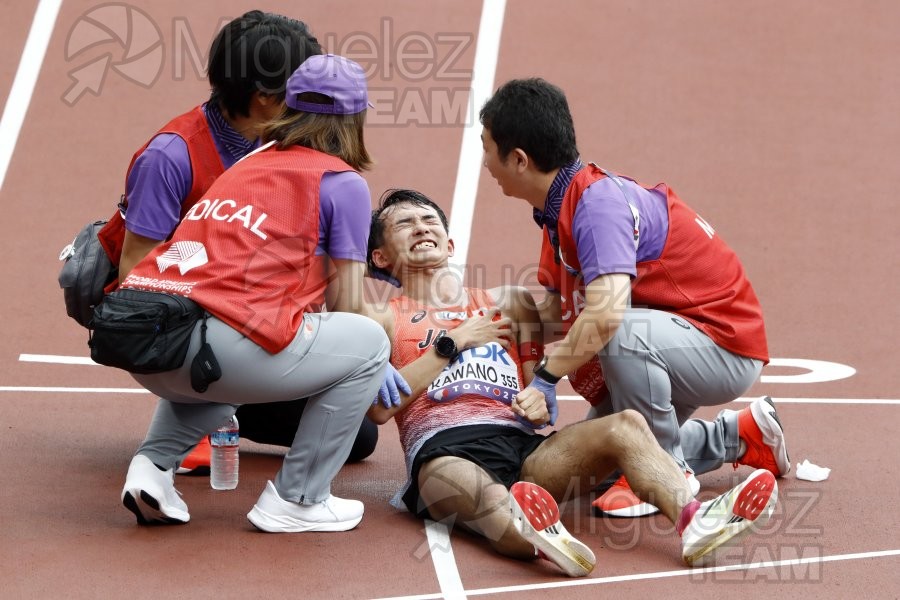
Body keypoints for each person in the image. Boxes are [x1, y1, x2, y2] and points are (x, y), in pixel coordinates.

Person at [363, 189, 778, 575]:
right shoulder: (380, 319)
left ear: (450, 244)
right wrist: (452, 344)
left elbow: (532, 391)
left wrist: (536, 402)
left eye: (429, 220)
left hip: (521, 448)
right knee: (493, 504)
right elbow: (380, 409)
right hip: (441, 452)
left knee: (626, 425)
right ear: (381, 258)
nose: (421, 227)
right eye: (404, 224)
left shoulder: (507, 302)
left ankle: (694, 520)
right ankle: (536, 536)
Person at [477, 78, 790, 518]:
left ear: (519, 159)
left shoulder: (597, 206)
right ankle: (740, 436)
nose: (485, 161)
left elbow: (604, 315)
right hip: (674, 337)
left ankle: (670, 472)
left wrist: (546, 378)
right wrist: (482, 314)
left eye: (487, 147)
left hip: (722, 344)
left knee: (619, 330)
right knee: (595, 454)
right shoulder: (559, 208)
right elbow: (559, 313)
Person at [119, 54, 402, 532]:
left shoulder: (248, 162)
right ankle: (299, 498)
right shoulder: (341, 182)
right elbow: (348, 306)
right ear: (356, 118)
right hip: (217, 351)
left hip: (149, 343)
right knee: (367, 342)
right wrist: (383, 362)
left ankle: (151, 469)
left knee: (233, 358)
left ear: (288, 107)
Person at [95, 10, 377, 471]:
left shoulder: (285, 151)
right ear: (268, 98)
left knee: (360, 437)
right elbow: (135, 272)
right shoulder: (170, 157)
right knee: (359, 358)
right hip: (176, 328)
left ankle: (206, 412)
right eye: (302, 84)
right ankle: (290, 490)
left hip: (254, 322)